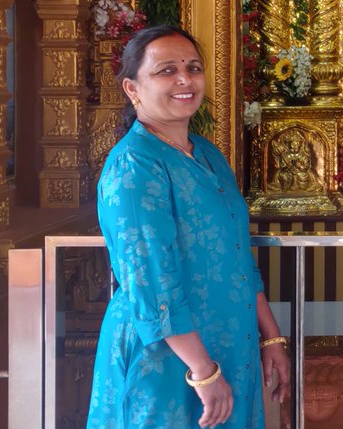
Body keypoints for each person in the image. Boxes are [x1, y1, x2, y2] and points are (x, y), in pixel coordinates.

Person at [89, 26, 292, 429]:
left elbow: (237, 256)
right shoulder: (134, 164)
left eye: (193, 68)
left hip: (229, 343)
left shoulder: (208, 154)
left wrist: (270, 336)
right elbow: (150, 280)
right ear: (132, 88)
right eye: (167, 70)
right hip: (168, 355)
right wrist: (202, 369)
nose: (185, 79)